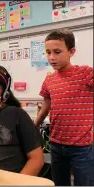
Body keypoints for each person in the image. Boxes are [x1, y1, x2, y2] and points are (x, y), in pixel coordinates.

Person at [34, 29, 94, 186]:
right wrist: (34, 125)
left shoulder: (85, 73)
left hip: (82, 147)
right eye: (48, 52)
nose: (51, 57)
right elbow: (46, 104)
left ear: (71, 51)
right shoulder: (50, 80)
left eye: (57, 52)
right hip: (56, 145)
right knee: (60, 183)